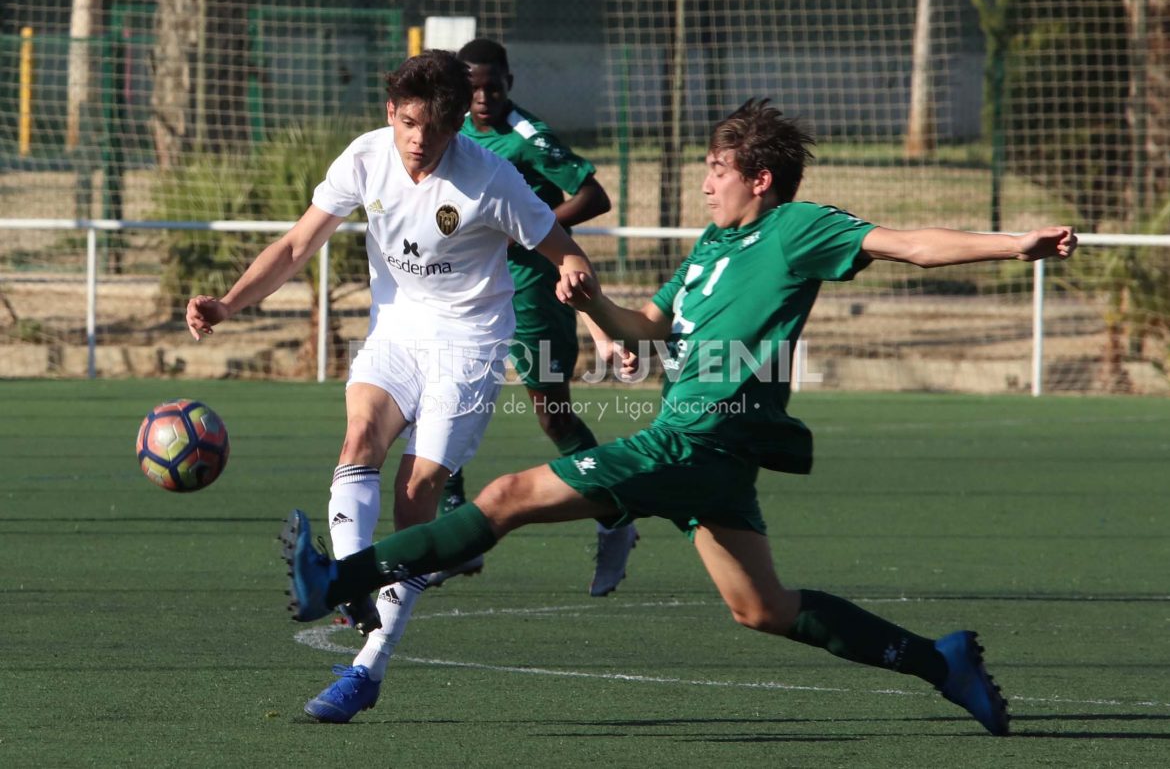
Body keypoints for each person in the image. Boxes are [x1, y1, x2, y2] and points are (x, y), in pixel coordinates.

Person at [279, 98, 1078, 735]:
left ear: (760, 179)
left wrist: (1015, 245)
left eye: (716, 170)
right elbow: (649, 325)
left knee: (507, 497)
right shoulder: (708, 246)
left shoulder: (798, 230)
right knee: (761, 607)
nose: (705, 183)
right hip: (713, 457)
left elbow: (913, 244)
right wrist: (595, 304)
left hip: (692, 438)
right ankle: (944, 665)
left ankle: (341, 579)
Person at [187, 50, 611, 724]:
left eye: (435, 128)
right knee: (359, 437)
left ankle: (368, 666)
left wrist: (578, 282)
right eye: (409, 123)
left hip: (469, 343)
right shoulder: (366, 157)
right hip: (396, 333)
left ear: (454, 128)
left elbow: (563, 246)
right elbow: (298, 244)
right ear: (391, 114)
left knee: (416, 496)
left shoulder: (490, 178)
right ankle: (354, 584)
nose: (419, 140)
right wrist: (230, 304)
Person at [426, 38, 637, 597]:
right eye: (472, 87)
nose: (482, 97)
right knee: (444, 396)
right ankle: (455, 539)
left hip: (531, 296)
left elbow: (593, 196)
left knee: (554, 417)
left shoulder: (529, 137)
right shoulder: (451, 129)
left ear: (509, 83)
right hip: (469, 296)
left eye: (492, 86)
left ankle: (615, 510)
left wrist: (529, 227)